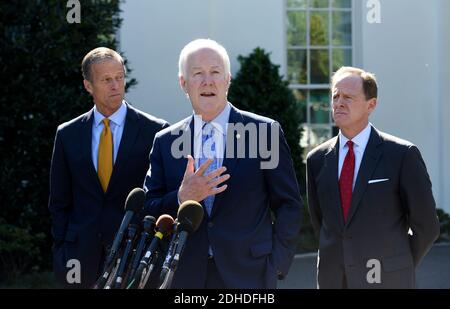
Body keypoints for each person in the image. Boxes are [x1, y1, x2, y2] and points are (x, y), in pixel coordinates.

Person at [143, 39, 303, 288]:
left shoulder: (264, 133)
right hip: (184, 277)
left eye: (215, 72)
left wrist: (277, 265)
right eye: (197, 73)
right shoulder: (166, 141)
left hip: (249, 276)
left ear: (227, 79)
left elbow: (289, 205)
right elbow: (148, 209)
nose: (208, 81)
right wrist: (181, 198)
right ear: (183, 83)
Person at [306, 66, 440, 289]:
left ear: (371, 104)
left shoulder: (402, 155)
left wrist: (397, 265)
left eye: (348, 97)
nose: (339, 102)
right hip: (333, 280)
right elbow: (321, 223)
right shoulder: (317, 159)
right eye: (335, 96)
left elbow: (427, 226)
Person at [48, 47, 169, 288]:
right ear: (88, 85)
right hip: (79, 259)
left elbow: (161, 197)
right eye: (106, 80)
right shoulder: (68, 134)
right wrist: (62, 252)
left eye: (119, 77)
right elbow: (59, 202)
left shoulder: (155, 131)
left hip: (134, 257)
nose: (116, 85)